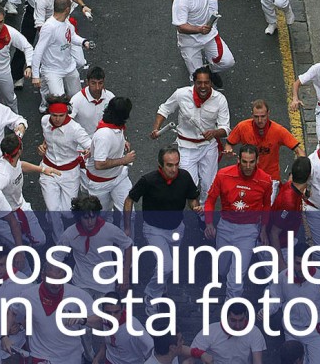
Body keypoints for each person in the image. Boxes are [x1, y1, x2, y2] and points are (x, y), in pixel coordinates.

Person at [125, 145, 201, 312]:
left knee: (166, 264)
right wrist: (127, 227)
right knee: (167, 266)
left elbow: (192, 198)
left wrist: (196, 207)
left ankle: (160, 287)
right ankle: (151, 296)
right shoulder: (148, 180)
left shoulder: (185, 177)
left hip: (177, 229)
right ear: (160, 164)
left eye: (176, 164)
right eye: (169, 165)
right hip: (154, 230)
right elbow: (129, 200)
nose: (174, 169)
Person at [204, 143, 273, 299]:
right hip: (225, 227)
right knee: (222, 269)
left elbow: (266, 205)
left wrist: (263, 230)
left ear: (257, 161)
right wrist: (209, 223)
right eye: (244, 162)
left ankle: (231, 309)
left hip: (248, 231)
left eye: (251, 162)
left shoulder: (265, 181)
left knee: (235, 280)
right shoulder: (223, 175)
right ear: (238, 161)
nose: (248, 166)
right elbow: (211, 200)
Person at [151, 67, 229, 197]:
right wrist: (156, 128)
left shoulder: (220, 100)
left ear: (211, 83)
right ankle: (194, 207)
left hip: (208, 146)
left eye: (206, 82)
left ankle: (203, 214)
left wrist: (214, 133)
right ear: (194, 82)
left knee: (209, 187)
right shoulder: (181, 94)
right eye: (199, 83)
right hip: (186, 147)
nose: (203, 86)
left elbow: (225, 128)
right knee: (189, 185)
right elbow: (164, 109)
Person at [170, 0, 242, 80]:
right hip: (190, 42)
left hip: (208, 35)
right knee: (197, 79)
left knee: (227, 62)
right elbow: (181, 27)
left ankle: (208, 70)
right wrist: (199, 29)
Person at [225, 99, 303, 198]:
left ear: (268, 114)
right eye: (256, 117)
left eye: (263, 116)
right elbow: (229, 143)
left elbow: (300, 152)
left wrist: (293, 175)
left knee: (266, 210)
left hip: (270, 178)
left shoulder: (278, 131)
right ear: (252, 115)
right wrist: (228, 151)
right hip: (247, 176)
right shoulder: (242, 127)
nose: (260, 120)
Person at [38, 96, 91, 238]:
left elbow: (91, 146)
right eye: (54, 115)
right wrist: (43, 146)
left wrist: (87, 151)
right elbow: (47, 138)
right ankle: (60, 242)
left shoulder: (75, 129)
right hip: (48, 170)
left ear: (67, 113)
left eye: (61, 116)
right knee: (54, 210)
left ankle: (52, 215)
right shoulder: (44, 121)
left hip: (70, 173)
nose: (57, 119)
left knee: (67, 212)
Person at [32, 0, 94, 107]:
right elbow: (38, 50)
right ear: (67, 9)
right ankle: (46, 104)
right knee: (59, 103)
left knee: (77, 99)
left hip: (68, 67)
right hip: (52, 70)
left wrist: (84, 42)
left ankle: (46, 94)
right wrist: (35, 75)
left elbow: (72, 36)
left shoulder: (66, 23)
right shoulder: (49, 27)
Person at [81, 95, 135, 209]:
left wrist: (123, 142)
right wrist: (124, 160)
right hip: (100, 184)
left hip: (119, 177)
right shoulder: (104, 135)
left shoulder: (113, 126)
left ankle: (128, 227)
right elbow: (99, 164)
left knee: (130, 214)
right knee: (100, 219)